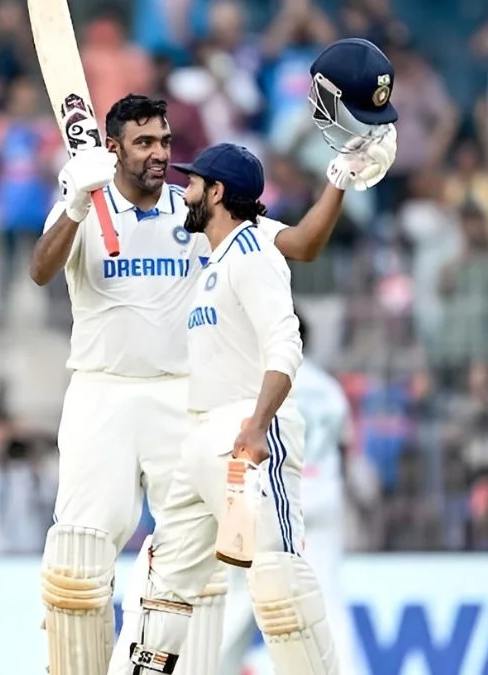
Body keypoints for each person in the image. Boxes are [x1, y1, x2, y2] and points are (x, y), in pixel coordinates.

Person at [33, 38, 398, 675]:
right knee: (79, 565)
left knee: (197, 580)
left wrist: (338, 177)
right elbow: (39, 272)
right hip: (101, 391)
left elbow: (294, 246)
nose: (159, 155)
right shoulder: (86, 203)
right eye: (144, 143)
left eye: (165, 143)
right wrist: (69, 204)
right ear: (113, 147)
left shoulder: (201, 215)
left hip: (186, 400)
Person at [110, 143, 334, 675]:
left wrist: (257, 426)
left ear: (215, 192)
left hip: (244, 435)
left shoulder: (254, 250)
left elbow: (286, 344)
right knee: (165, 584)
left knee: (279, 581)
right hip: (200, 441)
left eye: (193, 184)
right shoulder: (219, 254)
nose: (183, 191)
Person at [217, 314, 359, 675]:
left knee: (245, 597)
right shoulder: (330, 389)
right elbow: (345, 448)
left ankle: (215, 667)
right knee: (326, 597)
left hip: (273, 495)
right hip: (323, 496)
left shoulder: (268, 384)